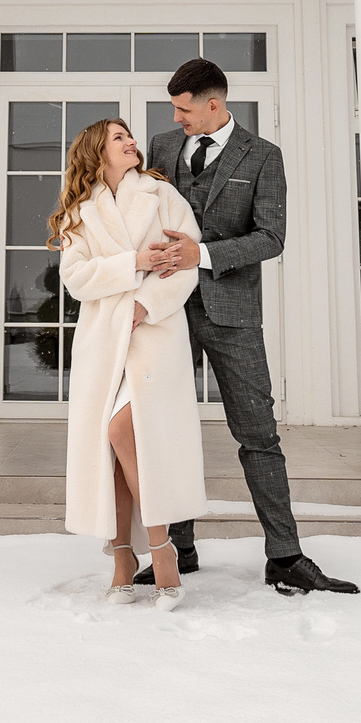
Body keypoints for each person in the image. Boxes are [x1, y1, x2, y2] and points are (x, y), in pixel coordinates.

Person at [144, 58, 359, 596]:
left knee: (258, 436)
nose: (177, 118)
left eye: (184, 109)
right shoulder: (164, 148)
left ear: (214, 104)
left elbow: (271, 237)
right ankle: (179, 550)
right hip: (168, 310)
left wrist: (204, 253)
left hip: (232, 313)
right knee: (167, 431)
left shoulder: (263, 157)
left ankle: (285, 556)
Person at [52, 117, 206, 609]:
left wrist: (148, 305)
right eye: (119, 138)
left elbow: (185, 264)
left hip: (153, 337)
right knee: (110, 447)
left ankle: (162, 552)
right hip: (103, 343)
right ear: (98, 151)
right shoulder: (81, 211)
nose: (132, 143)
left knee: (123, 433)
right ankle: (122, 557)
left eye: (130, 137)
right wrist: (136, 263)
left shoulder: (161, 196)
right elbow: (76, 278)